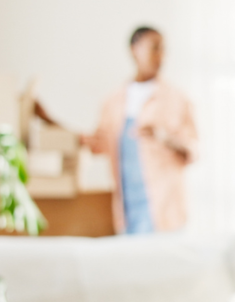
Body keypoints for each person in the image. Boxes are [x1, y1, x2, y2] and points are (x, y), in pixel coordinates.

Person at [84, 26, 197, 234]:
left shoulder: (177, 99)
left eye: (163, 49)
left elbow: (193, 151)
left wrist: (165, 138)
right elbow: (95, 145)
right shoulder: (113, 102)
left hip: (166, 213)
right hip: (128, 213)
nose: (160, 56)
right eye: (154, 48)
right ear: (134, 50)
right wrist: (49, 120)